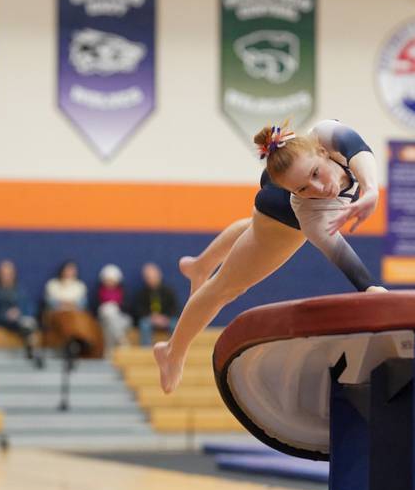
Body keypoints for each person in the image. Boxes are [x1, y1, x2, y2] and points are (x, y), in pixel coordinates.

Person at [155, 120, 386, 394]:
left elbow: (359, 149)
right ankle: (172, 351)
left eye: (317, 173)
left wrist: (371, 190)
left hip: (279, 186)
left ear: (323, 152)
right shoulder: (309, 215)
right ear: (294, 192)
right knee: (226, 287)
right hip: (283, 209)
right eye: (304, 188)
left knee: (258, 229)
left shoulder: (327, 133)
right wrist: (370, 287)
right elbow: (339, 253)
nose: (319, 189)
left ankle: (200, 264)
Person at [43, 260, 103, 358]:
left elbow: (82, 303)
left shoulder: (80, 286)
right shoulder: (53, 285)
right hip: (58, 313)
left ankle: (82, 341)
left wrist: (72, 306)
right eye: (68, 269)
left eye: (72, 270)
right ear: (62, 270)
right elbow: (50, 302)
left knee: (80, 318)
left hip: (76, 313)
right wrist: (63, 304)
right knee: (67, 318)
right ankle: (73, 341)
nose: (70, 272)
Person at [0, 259, 39, 358]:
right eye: (4, 273)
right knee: (23, 324)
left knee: (28, 323)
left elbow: (28, 306)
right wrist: (2, 315)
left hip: (18, 320)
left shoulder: (20, 290)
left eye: (9, 273)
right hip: (1, 320)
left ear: (13, 274)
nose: (6, 276)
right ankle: (30, 347)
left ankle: (31, 349)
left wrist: (19, 312)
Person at [132, 263, 180, 346]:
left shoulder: (168, 291)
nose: (151, 280)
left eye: (153, 277)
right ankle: (146, 351)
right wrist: (151, 317)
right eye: (148, 277)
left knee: (175, 324)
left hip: (166, 319)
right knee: (144, 325)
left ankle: (176, 349)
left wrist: (165, 318)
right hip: (149, 320)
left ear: (159, 275)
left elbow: (175, 307)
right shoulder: (141, 293)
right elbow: (138, 310)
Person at [96, 264, 132, 350]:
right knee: (108, 311)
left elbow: (128, 309)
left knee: (110, 325)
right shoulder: (99, 292)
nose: (110, 282)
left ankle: (108, 351)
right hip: (104, 318)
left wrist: (115, 307)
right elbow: (96, 308)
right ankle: (121, 339)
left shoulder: (123, 292)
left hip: (121, 319)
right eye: (107, 280)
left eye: (112, 280)